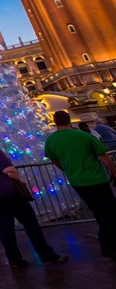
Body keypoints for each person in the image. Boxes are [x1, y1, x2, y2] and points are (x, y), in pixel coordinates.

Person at [0, 128, 66, 268]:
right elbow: (9, 170)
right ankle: (46, 256)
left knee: (5, 226)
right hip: (6, 191)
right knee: (30, 222)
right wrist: (20, 181)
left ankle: (14, 260)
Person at [45, 110, 116, 260]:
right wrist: (114, 172)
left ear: (56, 122)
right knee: (109, 213)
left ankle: (108, 244)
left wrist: (66, 168)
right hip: (96, 179)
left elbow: (54, 160)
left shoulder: (51, 140)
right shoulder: (83, 136)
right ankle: (108, 246)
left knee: (98, 212)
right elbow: (104, 157)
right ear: (69, 120)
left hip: (78, 182)